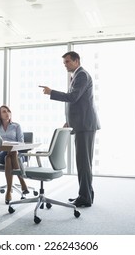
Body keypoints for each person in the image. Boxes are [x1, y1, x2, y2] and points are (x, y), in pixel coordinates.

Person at [39, 51, 100, 207]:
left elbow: (73, 97)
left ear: (76, 61)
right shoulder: (77, 75)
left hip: (85, 125)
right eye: (64, 62)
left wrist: (51, 92)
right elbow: (78, 102)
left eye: (67, 62)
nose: (65, 65)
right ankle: (86, 195)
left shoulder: (82, 75)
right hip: (81, 124)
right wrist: (69, 121)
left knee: (83, 163)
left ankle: (85, 197)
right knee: (83, 162)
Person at [0, 105, 29, 204]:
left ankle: (8, 191)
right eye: (4, 112)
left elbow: (21, 143)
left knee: (9, 157)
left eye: (8, 111)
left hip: (17, 156)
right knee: (7, 156)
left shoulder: (16, 126)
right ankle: (22, 182)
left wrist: (13, 147)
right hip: (2, 153)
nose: (7, 113)